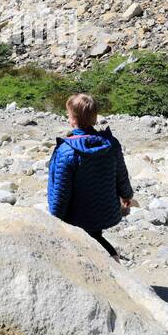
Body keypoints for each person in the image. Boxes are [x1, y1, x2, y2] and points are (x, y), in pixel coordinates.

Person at [47, 93, 134, 259]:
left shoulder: (66, 151)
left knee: (84, 244)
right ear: (94, 118)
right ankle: (112, 260)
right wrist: (126, 195)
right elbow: (121, 174)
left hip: (76, 215)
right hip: (104, 211)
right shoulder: (111, 143)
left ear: (73, 119)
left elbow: (61, 191)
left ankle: (113, 261)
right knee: (94, 235)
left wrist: (55, 219)